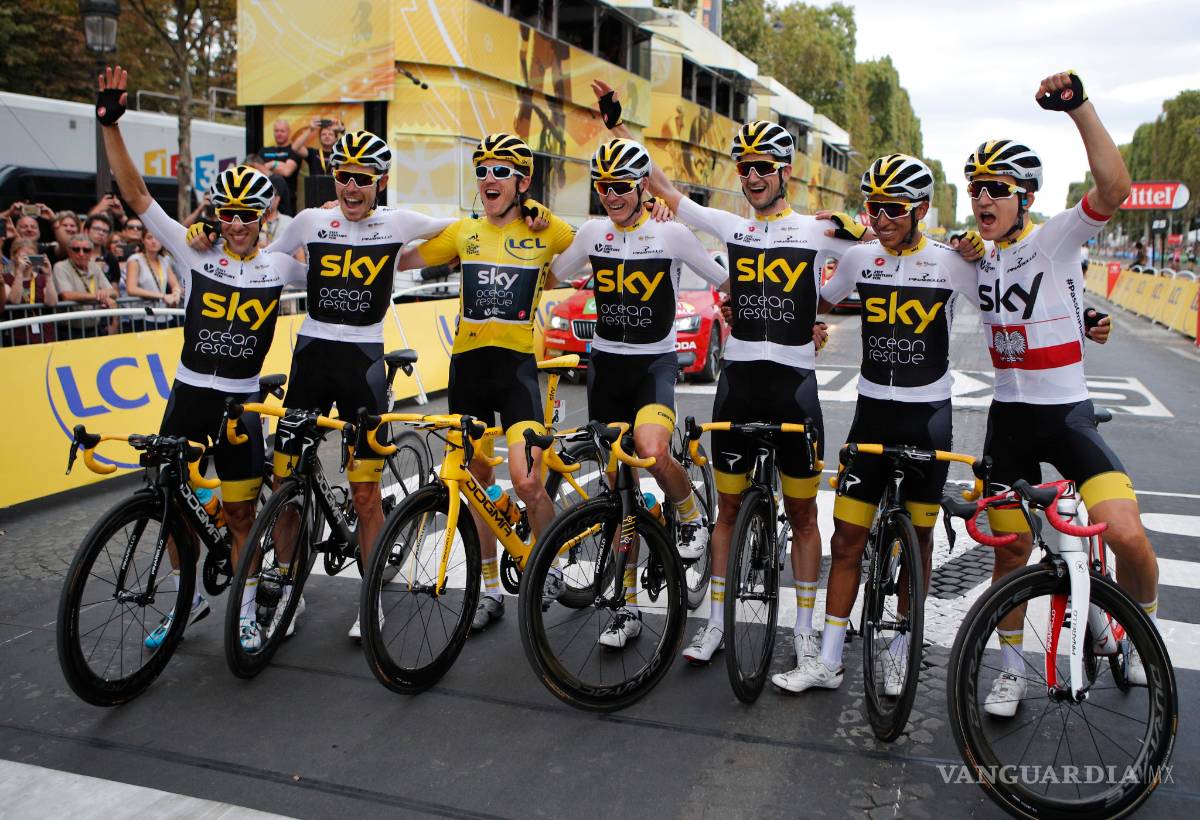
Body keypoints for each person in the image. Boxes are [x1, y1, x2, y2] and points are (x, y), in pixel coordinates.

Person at [592, 80, 866, 664]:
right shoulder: (732, 228)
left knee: (802, 512)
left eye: (764, 167)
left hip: (795, 388)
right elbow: (656, 182)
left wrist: (861, 225)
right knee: (732, 509)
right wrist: (618, 127)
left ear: (785, 172)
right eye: (745, 168)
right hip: (738, 386)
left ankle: (808, 631)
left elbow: (886, 244)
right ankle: (715, 623)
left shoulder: (819, 231)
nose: (753, 176)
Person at [208, 129, 455, 642]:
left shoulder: (399, 222)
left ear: (380, 182)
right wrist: (203, 239)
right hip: (312, 359)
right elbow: (260, 257)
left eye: (362, 179)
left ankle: (370, 602)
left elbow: (465, 229)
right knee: (286, 483)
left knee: (365, 495)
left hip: (362, 363)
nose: (351, 187)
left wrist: (530, 219)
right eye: (343, 176)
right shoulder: (310, 221)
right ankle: (288, 586)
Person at [965, 71, 1158, 713]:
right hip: (1008, 423)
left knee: (1129, 540)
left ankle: (1140, 639)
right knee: (1013, 553)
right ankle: (1012, 670)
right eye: (974, 189)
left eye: (995, 189)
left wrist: (1078, 109)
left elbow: (1116, 189)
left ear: (1025, 198)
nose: (981, 199)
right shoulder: (979, 258)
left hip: (1066, 418)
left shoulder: (1054, 237)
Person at [97, 65, 308, 651]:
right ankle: (187, 597)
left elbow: (353, 250)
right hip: (189, 394)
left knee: (240, 517)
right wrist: (111, 124)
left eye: (249, 215)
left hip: (240, 403)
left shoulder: (282, 266)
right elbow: (137, 196)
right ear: (215, 214)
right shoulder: (193, 254)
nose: (237, 225)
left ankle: (241, 607)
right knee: (170, 502)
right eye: (227, 214)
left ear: (265, 218)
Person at [770, 155, 978, 693]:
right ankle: (829, 658)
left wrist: (980, 248)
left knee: (921, 537)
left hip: (929, 415)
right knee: (847, 540)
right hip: (871, 414)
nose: (881, 218)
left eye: (893, 208)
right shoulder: (863, 257)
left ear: (922, 210)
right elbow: (817, 296)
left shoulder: (952, 262)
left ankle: (903, 645)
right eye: (873, 207)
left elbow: (1008, 296)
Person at [549, 137, 728, 649]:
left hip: (653, 364)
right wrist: (536, 228)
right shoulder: (591, 232)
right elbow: (551, 272)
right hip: (606, 367)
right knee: (617, 495)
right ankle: (623, 608)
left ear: (641, 186)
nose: (611, 195)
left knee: (649, 451)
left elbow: (726, 278)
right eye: (602, 186)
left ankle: (689, 509)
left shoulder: (671, 237)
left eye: (621, 186)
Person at [393, 133, 574, 631]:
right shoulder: (462, 232)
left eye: (500, 170)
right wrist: (358, 223)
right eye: (483, 170)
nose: (489, 179)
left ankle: (552, 565)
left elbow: (598, 244)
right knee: (475, 483)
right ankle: (490, 589)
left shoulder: (545, 228)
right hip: (468, 369)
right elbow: (400, 259)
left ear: (523, 181)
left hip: (516, 373)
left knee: (528, 482)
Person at [51, 233, 118, 336]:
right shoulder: (60, 267)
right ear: (69, 251)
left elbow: (114, 293)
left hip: (95, 328)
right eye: (76, 249)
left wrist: (105, 292)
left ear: (91, 252)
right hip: (69, 330)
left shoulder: (94, 266)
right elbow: (67, 295)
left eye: (86, 250)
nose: (81, 254)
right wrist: (99, 296)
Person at [4, 238, 59, 344]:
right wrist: (19, 273)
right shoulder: (5, 278)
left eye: (30, 256)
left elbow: (51, 302)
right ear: (13, 256)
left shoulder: (42, 278)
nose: (27, 259)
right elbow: (14, 300)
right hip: (17, 337)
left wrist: (48, 275)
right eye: (23, 256)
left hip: (44, 336)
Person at [124, 229, 181, 327]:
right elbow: (131, 289)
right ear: (143, 240)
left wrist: (176, 294)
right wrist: (162, 296)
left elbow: (175, 284)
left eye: (157, 238)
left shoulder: (164, 260)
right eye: (149, 237)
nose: (154, 241)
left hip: (164, 314)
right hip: (142, 315)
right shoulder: (135, 260)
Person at [258, 118, 301, 215]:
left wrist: (272, 164)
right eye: (276, 131)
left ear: (289, 132)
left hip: (287, 202)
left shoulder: (293, 151)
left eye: (282, 131)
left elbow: (287, 171)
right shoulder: (264, 151)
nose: (279, 133)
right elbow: (259, 171)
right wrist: (281, 165)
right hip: (265, 200)